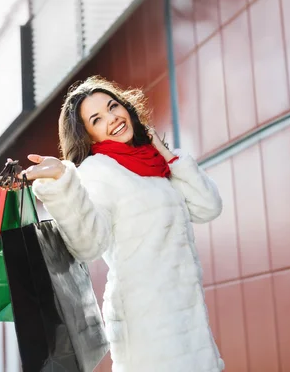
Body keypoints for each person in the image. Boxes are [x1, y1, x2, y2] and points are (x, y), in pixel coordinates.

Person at [19, 76, 225, 372]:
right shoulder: (99, 172)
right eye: (97, 119)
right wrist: (61, 182)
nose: (112, 118)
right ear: (88, 136)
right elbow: (89, 245)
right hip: (146, 322)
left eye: (113, 106)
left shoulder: (152, 164)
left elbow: (208, 206)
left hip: (187, 318)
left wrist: (166, 154)